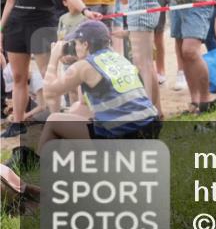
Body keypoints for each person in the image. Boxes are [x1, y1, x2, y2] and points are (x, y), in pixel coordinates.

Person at [0, 0, 92, 137]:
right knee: (19, 76)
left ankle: (55, 118)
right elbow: (11, 0)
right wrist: (1, 27)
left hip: (42, 22)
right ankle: (18, 122)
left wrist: (86, 11)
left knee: (47, 74)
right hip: (17, 24)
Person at [38, 20, 161, 152]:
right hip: (150, 129)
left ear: (85, 44)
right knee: (76, 109)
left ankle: (38, 162)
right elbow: (84, 103)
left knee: (53, 120)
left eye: (76, 43)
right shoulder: (118, 58)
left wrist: (54, 57)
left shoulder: (85, 66)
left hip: (124, 137)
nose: (75, 47)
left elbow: (49, 92)